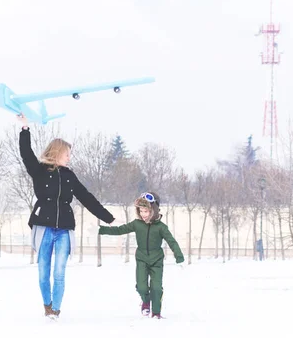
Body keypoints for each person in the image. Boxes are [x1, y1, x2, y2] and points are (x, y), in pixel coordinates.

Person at [18, 114, 118, 320]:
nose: (69, 157)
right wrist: (25, 129)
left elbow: (87, 198)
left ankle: (55, 309)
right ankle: (47, 305)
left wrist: (109, 218)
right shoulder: (39, 171)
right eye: (67, 154)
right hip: (43, 228)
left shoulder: (70, 176)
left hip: (64, 229)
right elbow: (26, 154)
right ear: (57, 153)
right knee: (43, 273)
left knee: (60, 273)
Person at [98, 191, 184, 319]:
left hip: (157, 260)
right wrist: (102, 229)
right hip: (142, 259)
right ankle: (145, 301)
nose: (143, 214)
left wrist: (179, 256)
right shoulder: (137, 224)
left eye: (146, 211)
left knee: (156, 288)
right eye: (141, 211)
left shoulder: (161, 227)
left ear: (153, 210)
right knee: (142, 286)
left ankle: (156, 313)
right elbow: (120, 230)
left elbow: (171, 241)